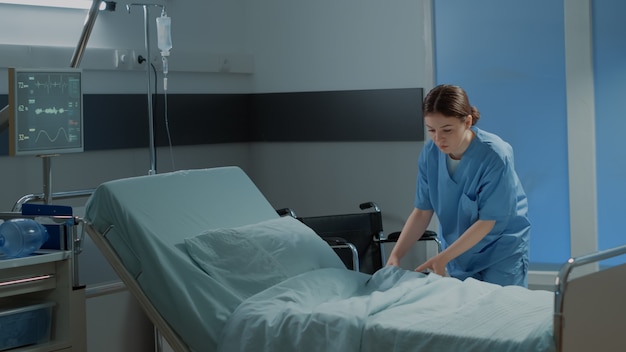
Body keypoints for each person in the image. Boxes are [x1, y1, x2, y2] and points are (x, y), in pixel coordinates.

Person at [386, 84, 530, 287]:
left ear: (467, 122)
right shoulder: (430, 155)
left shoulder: (495, 156)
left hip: (502, 253)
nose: (438, 139)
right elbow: (422, 212)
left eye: (447, 130)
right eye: (432, 130)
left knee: (500, 310)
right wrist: (395, 255)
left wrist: (442, 258)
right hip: (461, 252)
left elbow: (488, 221)